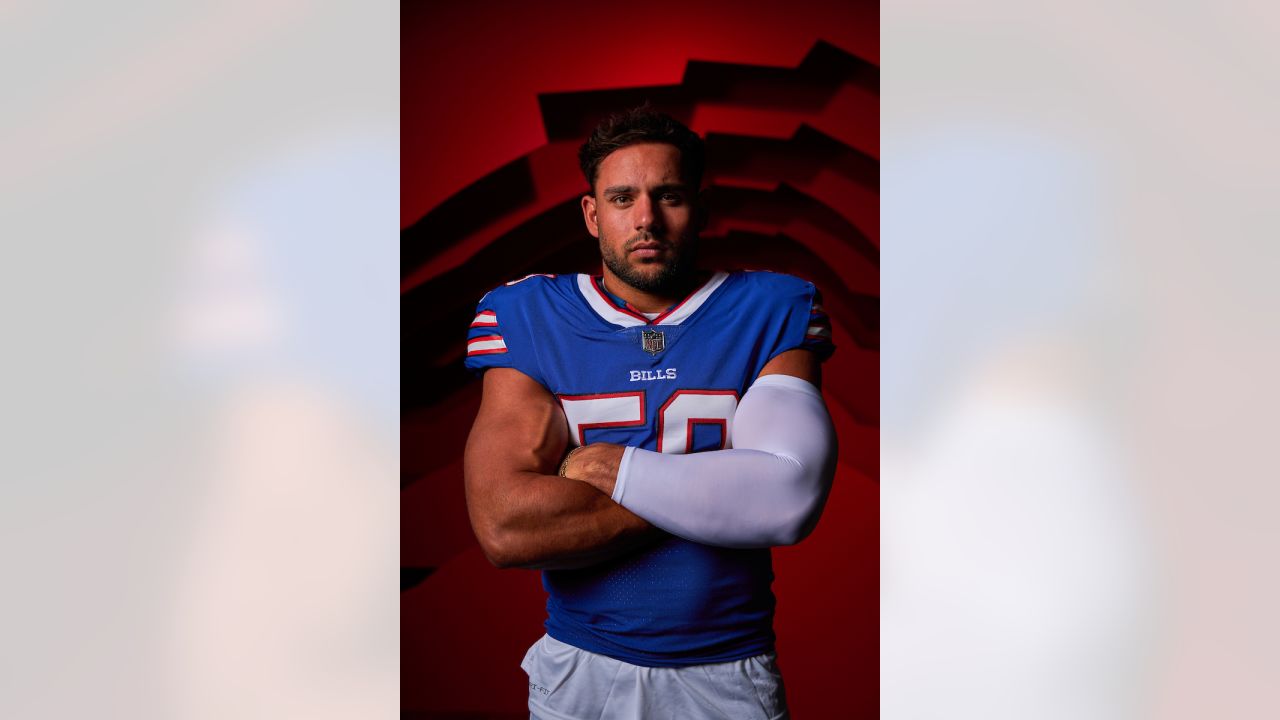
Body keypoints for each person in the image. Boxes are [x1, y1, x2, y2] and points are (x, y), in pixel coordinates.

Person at [463, 106, 838, 720]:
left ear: (701, 205)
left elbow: (786, 497)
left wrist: (611, 469)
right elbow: (507, 527)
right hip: (582, 667)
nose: (647, 220)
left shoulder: (772, 307)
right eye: (622, 197)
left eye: (669, 196)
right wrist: (722, 487)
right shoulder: (527, 315)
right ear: (592, 213)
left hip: (728, 670)